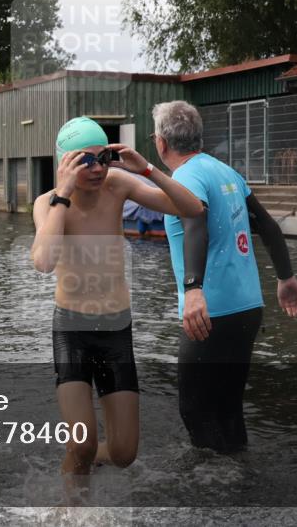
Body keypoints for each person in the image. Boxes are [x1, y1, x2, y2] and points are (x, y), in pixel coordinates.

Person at [30, 116, 203, 492]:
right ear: (65, 163)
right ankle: (72, 507)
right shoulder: (48, 203)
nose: (97, 168)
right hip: (72, 330)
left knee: (124, 453)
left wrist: (148, 170)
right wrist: (63, 193)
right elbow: (43, 262)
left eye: (103, 158)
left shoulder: (119, 184)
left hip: (115, 330)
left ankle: (81, 463)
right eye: (85, 160)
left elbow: (192, 209)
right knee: (83, 442)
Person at [151, 101, 297, 454]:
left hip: (210, 311)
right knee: (228, 408)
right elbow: (267, 225)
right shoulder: (226, 172)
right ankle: (241, 474)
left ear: (161, 142)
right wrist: (286, 277)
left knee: (195, 410)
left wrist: (193, 289)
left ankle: (210, 485)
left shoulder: (185, 178)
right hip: (247, 308)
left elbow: (196, 223)